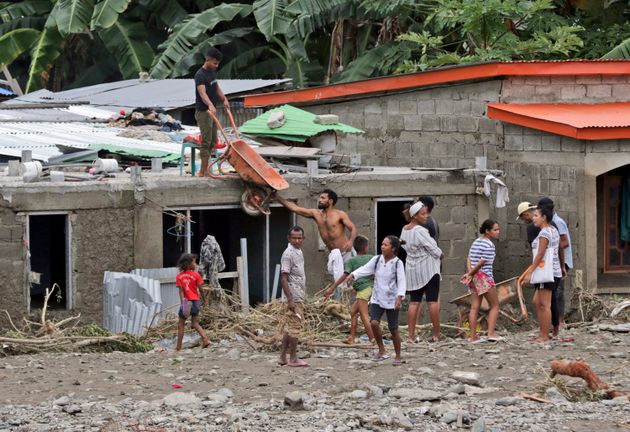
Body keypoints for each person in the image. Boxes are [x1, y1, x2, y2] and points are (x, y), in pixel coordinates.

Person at [273, 189, 357, 299]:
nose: (320, 200)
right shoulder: (316, 214)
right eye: (320, 197)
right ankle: (339, 305)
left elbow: (353, 228)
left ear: (330, 201)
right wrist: (277, 197)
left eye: (323, 198)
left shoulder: (339, 214)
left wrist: (351, 241)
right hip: (334, 255)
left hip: (346, 252)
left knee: (351, 281)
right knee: (338, 282)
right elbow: (295, 208)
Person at [345, 236, 406, 365]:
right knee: (373, 323)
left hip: (392, 299)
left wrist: (399, 297)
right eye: (382, 244)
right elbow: (365, 269)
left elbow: (402, 281)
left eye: (386, 245)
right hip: (377, 298)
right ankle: (381, 350)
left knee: (393, 329)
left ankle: (398, 356)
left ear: (393, 248)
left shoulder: (397, 263)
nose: (382, 246)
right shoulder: (377, 259)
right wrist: (353, 275)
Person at [401, 201, 443, 343]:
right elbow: (434, 249)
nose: (426, 216)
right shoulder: (420, 231)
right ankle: (437, 334)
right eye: (423, 214)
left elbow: (405, 247)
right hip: (428, 269)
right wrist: (441, 254)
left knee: (414, 302)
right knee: (432, 301)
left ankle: (411, 336)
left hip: (412, 269)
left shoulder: (404, 230)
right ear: (414, 216)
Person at [518, 206, 562, 343]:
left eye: (536, 215)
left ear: (544, 217)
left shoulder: (544, 233)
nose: (534, 218)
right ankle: (543, 331)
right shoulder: (553, 230)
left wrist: (529, 273)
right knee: (537, 302)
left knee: (544, 304)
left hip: (546, 272)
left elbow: (540, 255)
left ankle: (544, 335)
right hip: (553, 271)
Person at [324, 235, 375, 345]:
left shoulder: (352, 261)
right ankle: (351, 338)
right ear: (366, 248)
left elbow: (344, 275)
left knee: (364, 316)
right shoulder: (371, 258)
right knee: (353, 312)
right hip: (369, 289)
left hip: (363, 290)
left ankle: (373, 340)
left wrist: (332, 287)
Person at [460, 219, 502, 342]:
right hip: (484, 277)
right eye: (495, 230)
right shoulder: (489, 245)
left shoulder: (476, 241)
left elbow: (469, 259)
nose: (498, 232)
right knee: (495, 306)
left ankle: (473, 336)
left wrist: (470, 274)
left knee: (474, 307)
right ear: (487, 231)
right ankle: (491, 333)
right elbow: (480, 263)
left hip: (474, 278)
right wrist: (472, 273)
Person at [538, 197, 572, 334]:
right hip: (555, 261)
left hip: (560, 261)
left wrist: (548, 249)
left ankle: (560, 321)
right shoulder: (551, 224)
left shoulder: (557, 222)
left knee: (557, 293)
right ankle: (554, 324)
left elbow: (564, 243)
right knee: (553, 294)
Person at [194, 47, 230, 177]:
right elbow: (202, 94)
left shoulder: (212, 73)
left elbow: (216, 87)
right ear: (207, 60)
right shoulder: (200, 75)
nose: (217, 65)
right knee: (206, 141)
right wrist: (209, 104)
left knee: (214, 140)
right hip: (204, 112)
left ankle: (206, 169)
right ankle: (203, 171)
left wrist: (224, 99)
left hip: (212, 111)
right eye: (215, 63)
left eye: (218, 63)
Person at [279, 226, 309, 367]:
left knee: (289, 327)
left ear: (303, 238)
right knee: (295, 327)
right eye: (294, 238)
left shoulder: (299, 251)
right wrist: (290, 299)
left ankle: (282, 357)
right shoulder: (288, 254)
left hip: (298, 295)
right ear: (289, 238)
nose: (297, 240)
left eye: (299, 238)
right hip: (293, 296)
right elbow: (283, 278)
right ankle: (293, 358)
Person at [175, 253, 210, 351]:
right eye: (194, 262)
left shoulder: (179, 276)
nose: (196, 264)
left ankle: (178, 347)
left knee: (181, 324)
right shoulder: (196, 275)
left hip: (186, 303)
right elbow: (201, 290)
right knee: (195, 323)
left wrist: (183, 303)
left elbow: (181, 291)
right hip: (196, 302)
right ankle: (205, 339)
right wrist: (204, 300)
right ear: (188, 264)